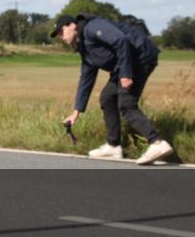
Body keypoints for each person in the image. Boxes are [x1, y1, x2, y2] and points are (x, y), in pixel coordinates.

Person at [52, 14, 174, 165]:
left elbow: (121, 40)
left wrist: (125, 73)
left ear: (72, 25)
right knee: (107, 98)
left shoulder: (92, 27)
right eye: (58, 34)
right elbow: (86, 79)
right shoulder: (85, 48)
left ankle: (157, 143)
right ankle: (113, 146)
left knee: (126, 103)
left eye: (61, 31)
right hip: (125, 65)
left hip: (140, 58)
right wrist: (76, 112)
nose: (60, 36)